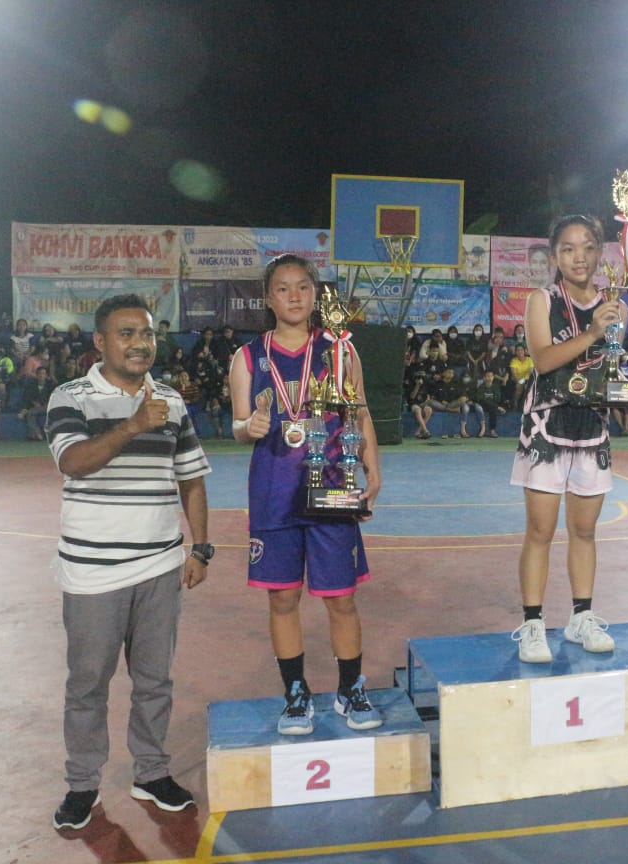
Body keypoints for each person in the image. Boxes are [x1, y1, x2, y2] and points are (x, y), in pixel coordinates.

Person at [45, 293, 211, 831]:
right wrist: (133, 425)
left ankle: (151, 772)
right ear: (100, 341)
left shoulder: (171, 401)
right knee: (88, 684)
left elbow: (191, 477)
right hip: (92, 571)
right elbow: (74, 462)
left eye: (148, 333)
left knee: (155, 680)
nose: (141, 343)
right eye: (127, 333)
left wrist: (201, 546)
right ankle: (82, 784)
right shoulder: (70, 397)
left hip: (159, 565)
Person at [229, 253, 384, 735]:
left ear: (316, 295)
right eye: (282, 288)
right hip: (274, 490)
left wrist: (373, 470)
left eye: (302, 286)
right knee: (282, 599)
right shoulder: (247, 357)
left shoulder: (340, 349)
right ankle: (295, 694)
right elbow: (237, 424)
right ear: (268, 298)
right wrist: (249, 427)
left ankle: (350, 689)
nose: (293, 296)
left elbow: (359, 412)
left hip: (332, 487)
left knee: (341, 598)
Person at [510, 214, 625, 663]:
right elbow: (543, 360)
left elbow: (613, 368)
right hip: (546, 427)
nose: (580, 257)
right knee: (540, 531)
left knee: (585, 530)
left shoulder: (613, 305)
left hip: (591, 426)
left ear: (599, 253)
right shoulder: (542, 300)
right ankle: (533, 623)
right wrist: (594, 331)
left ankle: (581, 617)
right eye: (569, 249)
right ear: (555, 255)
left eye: (588, 248)